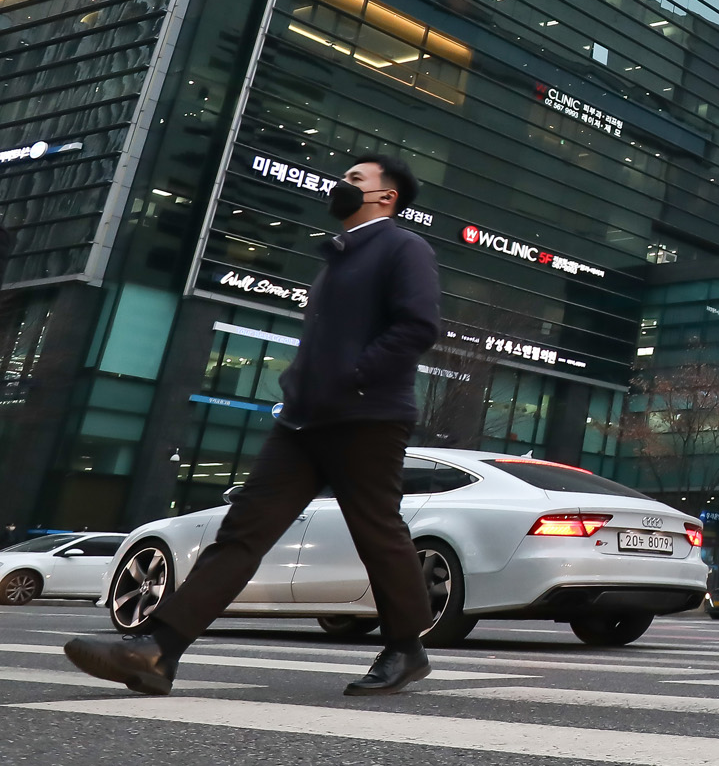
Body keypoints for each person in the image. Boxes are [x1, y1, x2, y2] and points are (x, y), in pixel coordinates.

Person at [66, 155, 439, 697]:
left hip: (367, 417)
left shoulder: (404, 247)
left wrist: (353, 377)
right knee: (242, 532)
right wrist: (300, 386)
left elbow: (417, 325)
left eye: (356, 179)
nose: (343, 185)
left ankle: (406, 646)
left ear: (387, 197)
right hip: (302, 423)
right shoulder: (338, 257)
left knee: (377, 533)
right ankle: (157, 651)